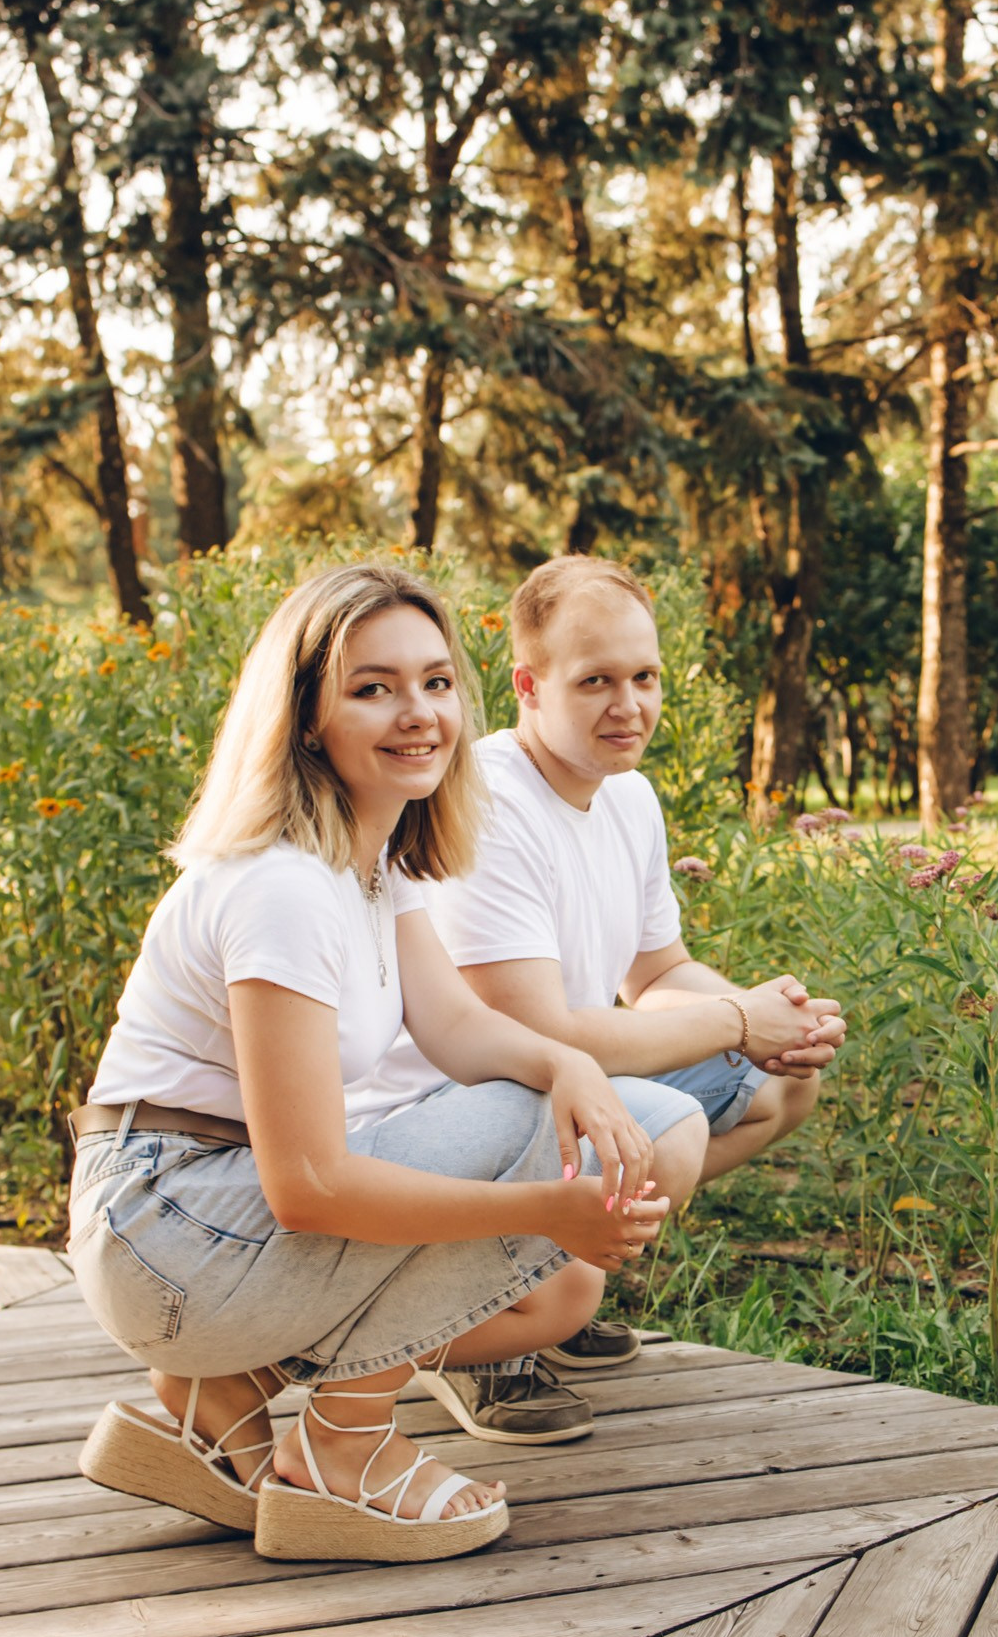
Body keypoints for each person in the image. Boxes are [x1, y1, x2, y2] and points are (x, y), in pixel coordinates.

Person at [69, 559, 678, 1566]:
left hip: (193, 1221)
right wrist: (547, 1207)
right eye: (373, 688)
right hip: (165, 1229)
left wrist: (567, 1065)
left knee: (555, 1137)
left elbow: (459, 1029)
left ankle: (228, 1396)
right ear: (308, 718)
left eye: (435, 682)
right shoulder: (283, 889)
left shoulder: (372, 868)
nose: (419, 714)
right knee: (536, 1130)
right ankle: (343, 1445)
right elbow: (309, 1187)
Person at [365, 554, 847, 1437]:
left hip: (553, 1083)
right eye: (596, 681)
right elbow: (534, 1031)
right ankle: (473, 1329)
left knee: (779, 1086)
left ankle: (543, 1281)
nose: (629, 705)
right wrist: (738, 1020)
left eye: (644, 678)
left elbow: (655, 976)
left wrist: (772, 1021)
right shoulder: (488, 800)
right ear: (529, 686)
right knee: (669, 1132)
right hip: (447, 1107)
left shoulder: (629, 797)